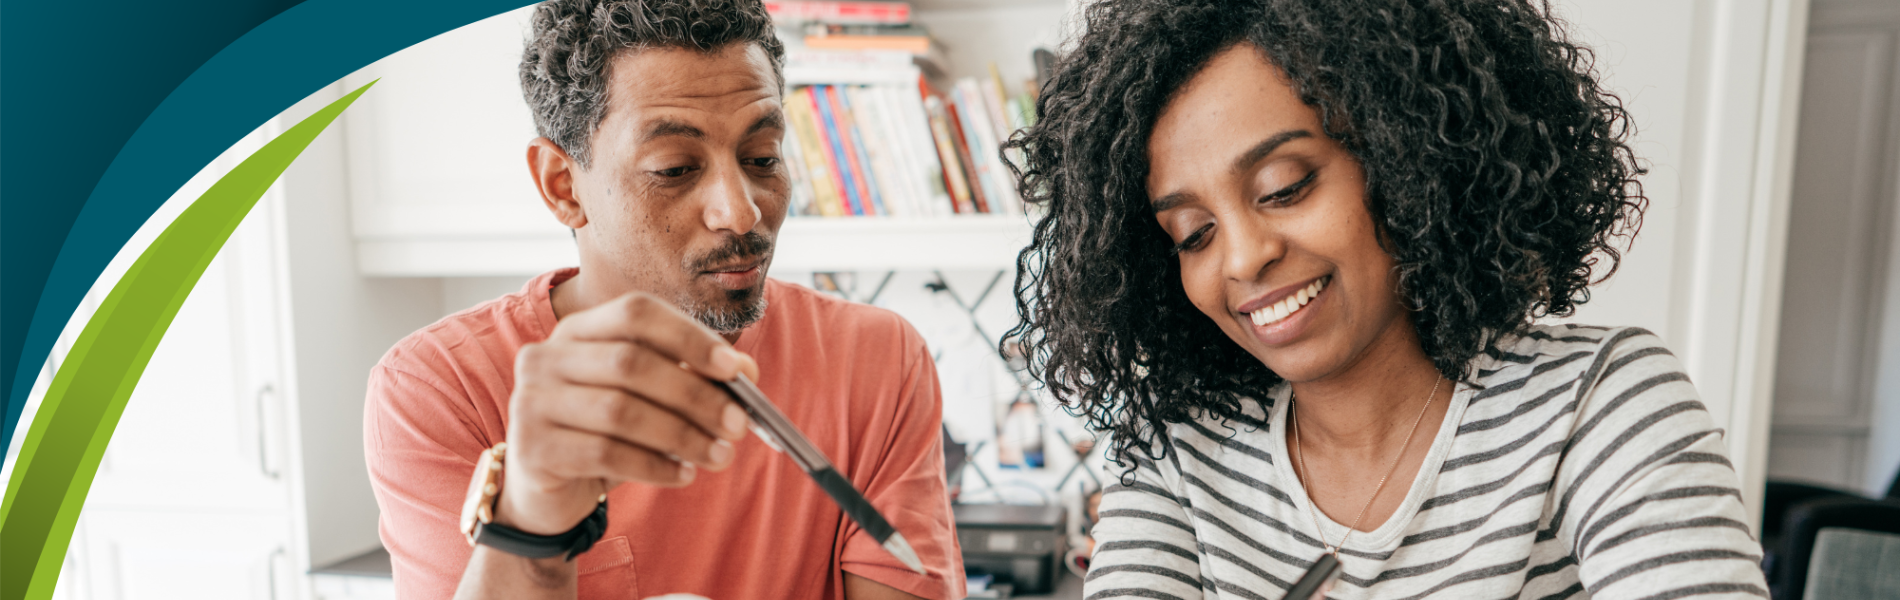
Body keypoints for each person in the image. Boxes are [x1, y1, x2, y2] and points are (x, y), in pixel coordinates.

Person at [1002, 0, 1768, 598]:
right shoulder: (1177, 451)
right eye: (1193, 234)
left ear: (1406, 157)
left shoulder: (1596, 403)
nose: (1243, 256)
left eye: (1285, 187)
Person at [362, 1, 963, 599]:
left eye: (761, 158)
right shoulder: (442, 388)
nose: (741, 211)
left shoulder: (875, 359)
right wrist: (530, 528)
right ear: (562, 185)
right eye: (674, 169)